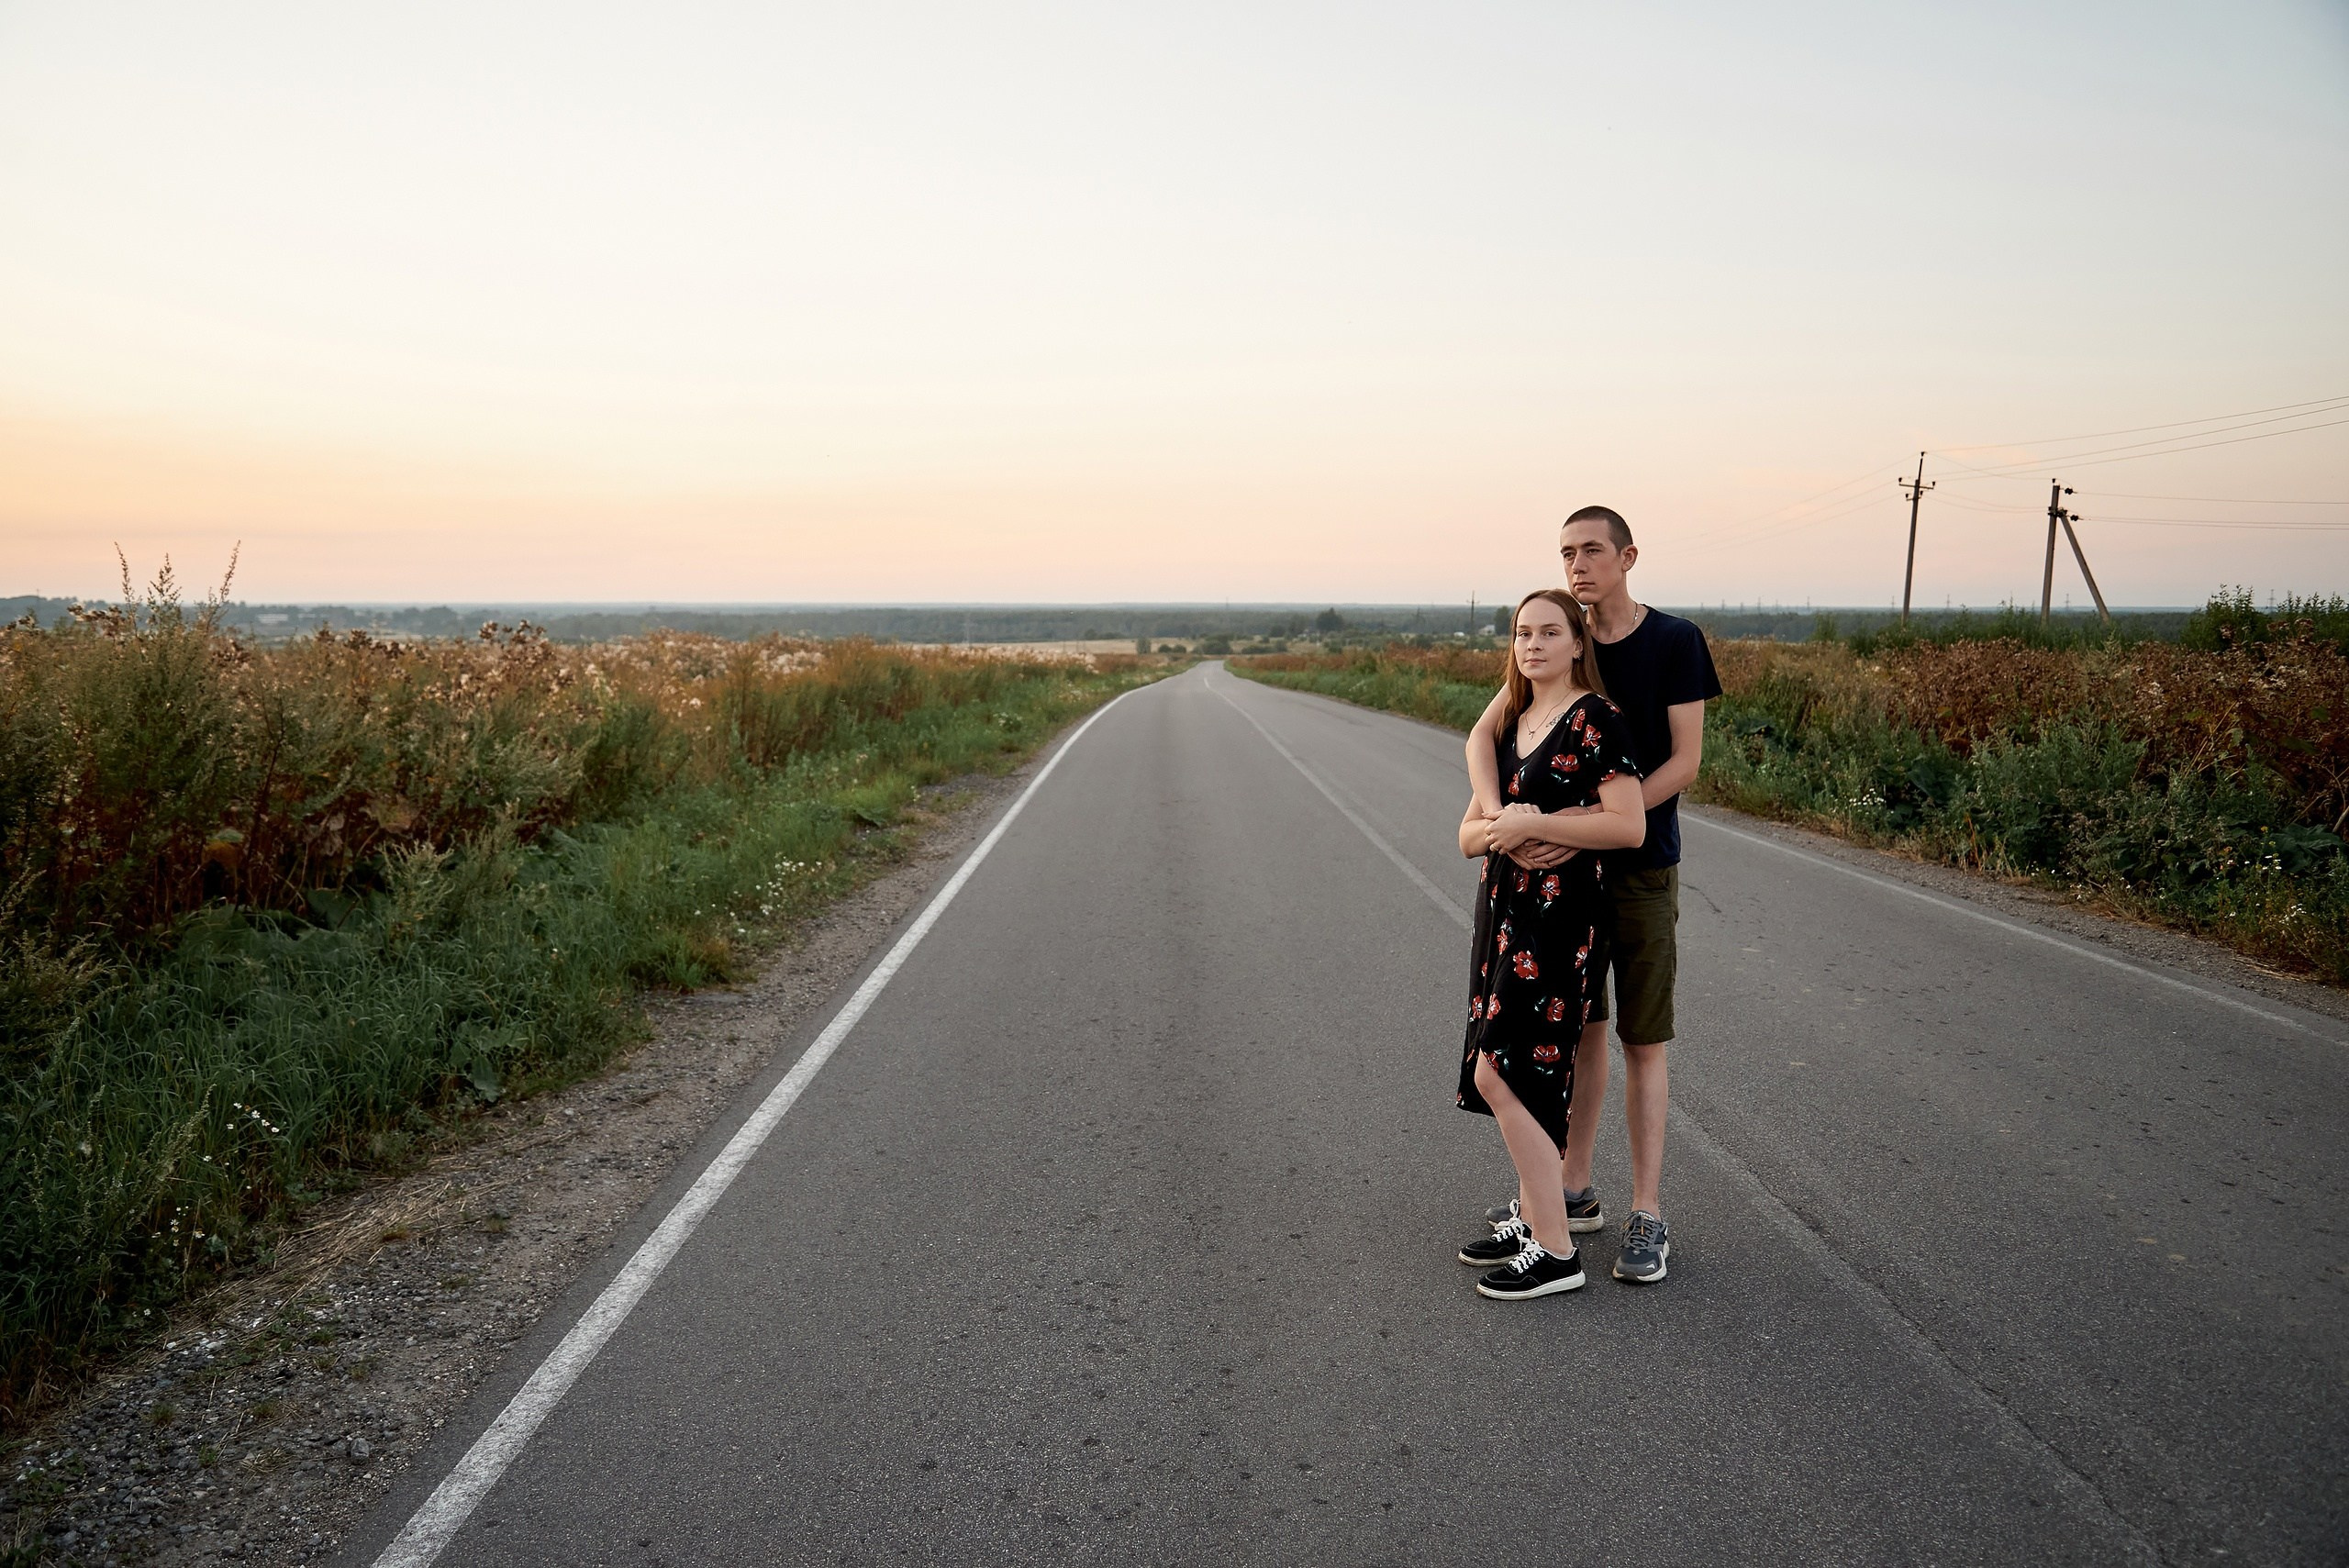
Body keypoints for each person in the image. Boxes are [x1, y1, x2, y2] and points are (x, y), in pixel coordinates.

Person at [1465, 506, 1721, 1285]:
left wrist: (1578, 822)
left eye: (1592, 551)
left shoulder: (1671, 641)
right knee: (1577, 1030)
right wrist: (1504, 820)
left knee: (1642, 1038)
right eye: (1567, 552)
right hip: (1558, 879)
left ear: (1627, 556)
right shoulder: (1555, 648)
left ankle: (1647, 1211)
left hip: (1636, 868)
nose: (1578, 564)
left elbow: (1683, 763)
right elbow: (1483, 735)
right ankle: (1569, 1190)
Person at [1453, 588, 1646, 1301]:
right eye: (1521, 633)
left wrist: (1549, 824)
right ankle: (1539, 1214)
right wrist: (1505, 822)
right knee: (1507, 1066)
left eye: (1548, 632)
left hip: (1562, 919)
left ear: (1576, 643)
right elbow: (1467, 834)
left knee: (1500, 1070)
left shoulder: (1596, 718)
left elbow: (1628, 826)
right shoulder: (1514, 722)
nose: (1531, 644)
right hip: (1505, 907)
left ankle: (1556, 1249)